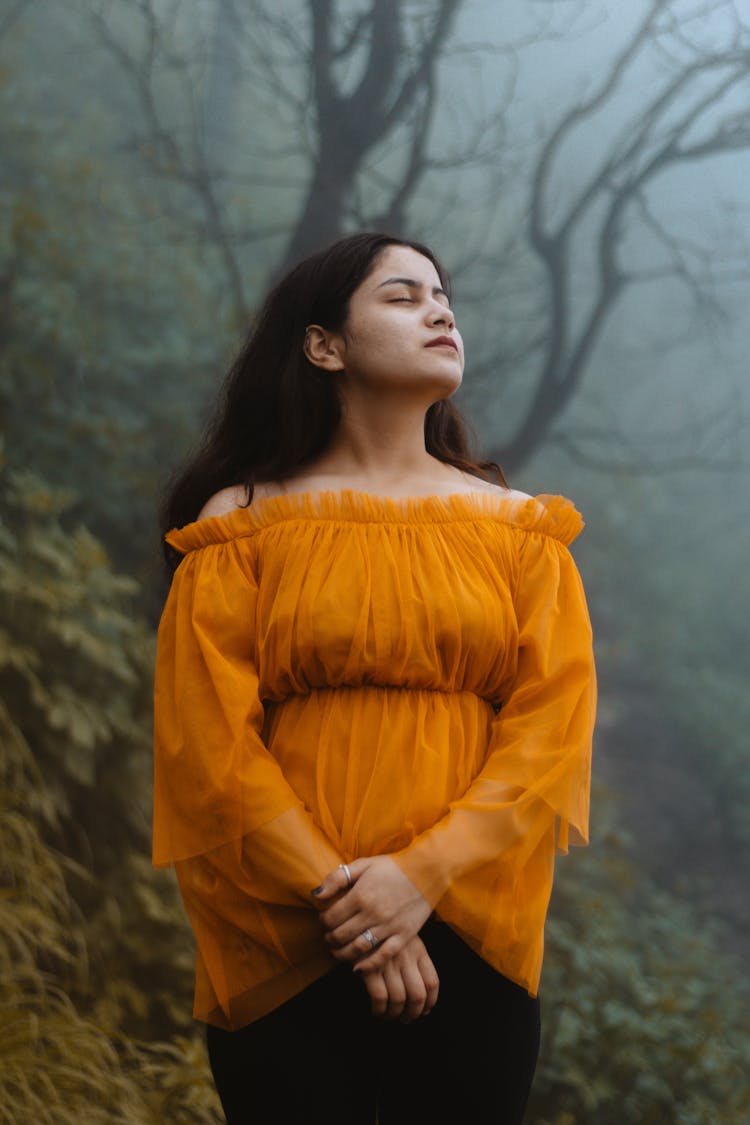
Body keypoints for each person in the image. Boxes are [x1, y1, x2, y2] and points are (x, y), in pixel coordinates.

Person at [153, 232, 596, 1124]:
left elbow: (551, 735)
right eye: (403, 296)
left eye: (445, 298)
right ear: (324, 345)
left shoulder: (520, 531)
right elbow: (207, 742)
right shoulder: (239, 523)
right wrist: (348, 902)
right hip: (286, 933)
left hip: (474, 928)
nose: (440, 311)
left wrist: (419, 878)